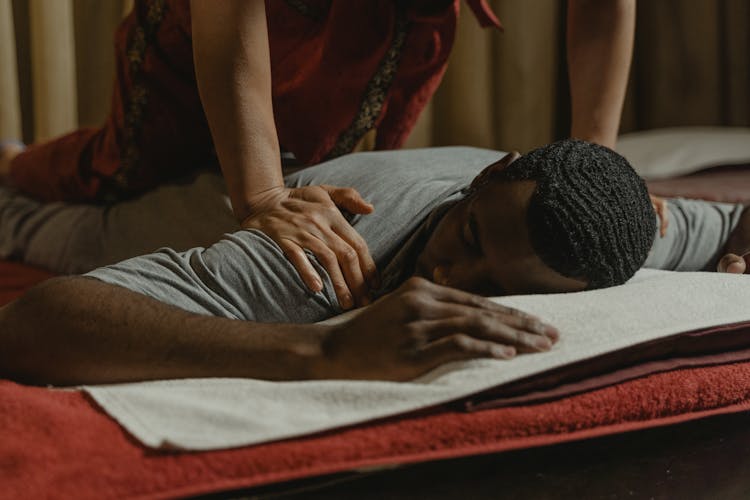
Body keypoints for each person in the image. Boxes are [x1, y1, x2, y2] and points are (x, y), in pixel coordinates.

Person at [0, 0, 639, 311]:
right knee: (122, 178)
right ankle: (11, 168)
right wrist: (262, 197)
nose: (448, 280)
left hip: (381, 28)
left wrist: (596, 158)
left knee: (308, 150)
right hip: (228, 34)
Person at [0, 139, 667, 386]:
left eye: (497, 289)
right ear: (487, 177)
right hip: (176, 200)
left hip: (313, 152)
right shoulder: (326, 252)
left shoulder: (594, 231)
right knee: (34, 218)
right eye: (467, 242)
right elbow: (29, 326)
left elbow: (728, 216)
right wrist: (323, 354)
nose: (450, 281)